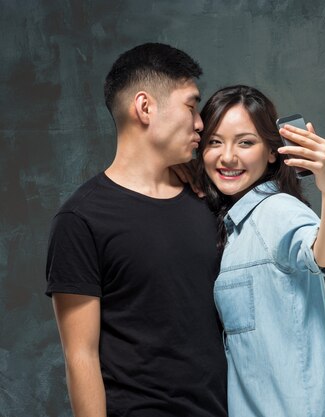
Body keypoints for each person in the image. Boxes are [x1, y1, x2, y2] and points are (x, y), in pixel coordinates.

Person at [45, 43, 228, 416]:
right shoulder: (81, 219)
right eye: (191, 106)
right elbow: (80, 355)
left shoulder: (208, 199)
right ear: (145, 107)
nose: (200, 124)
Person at [195, 85, 325, 417]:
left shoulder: (276, 210)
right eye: (214, 142)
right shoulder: (234, 227)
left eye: (245, 142)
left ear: (272, 151)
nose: (228, 156)